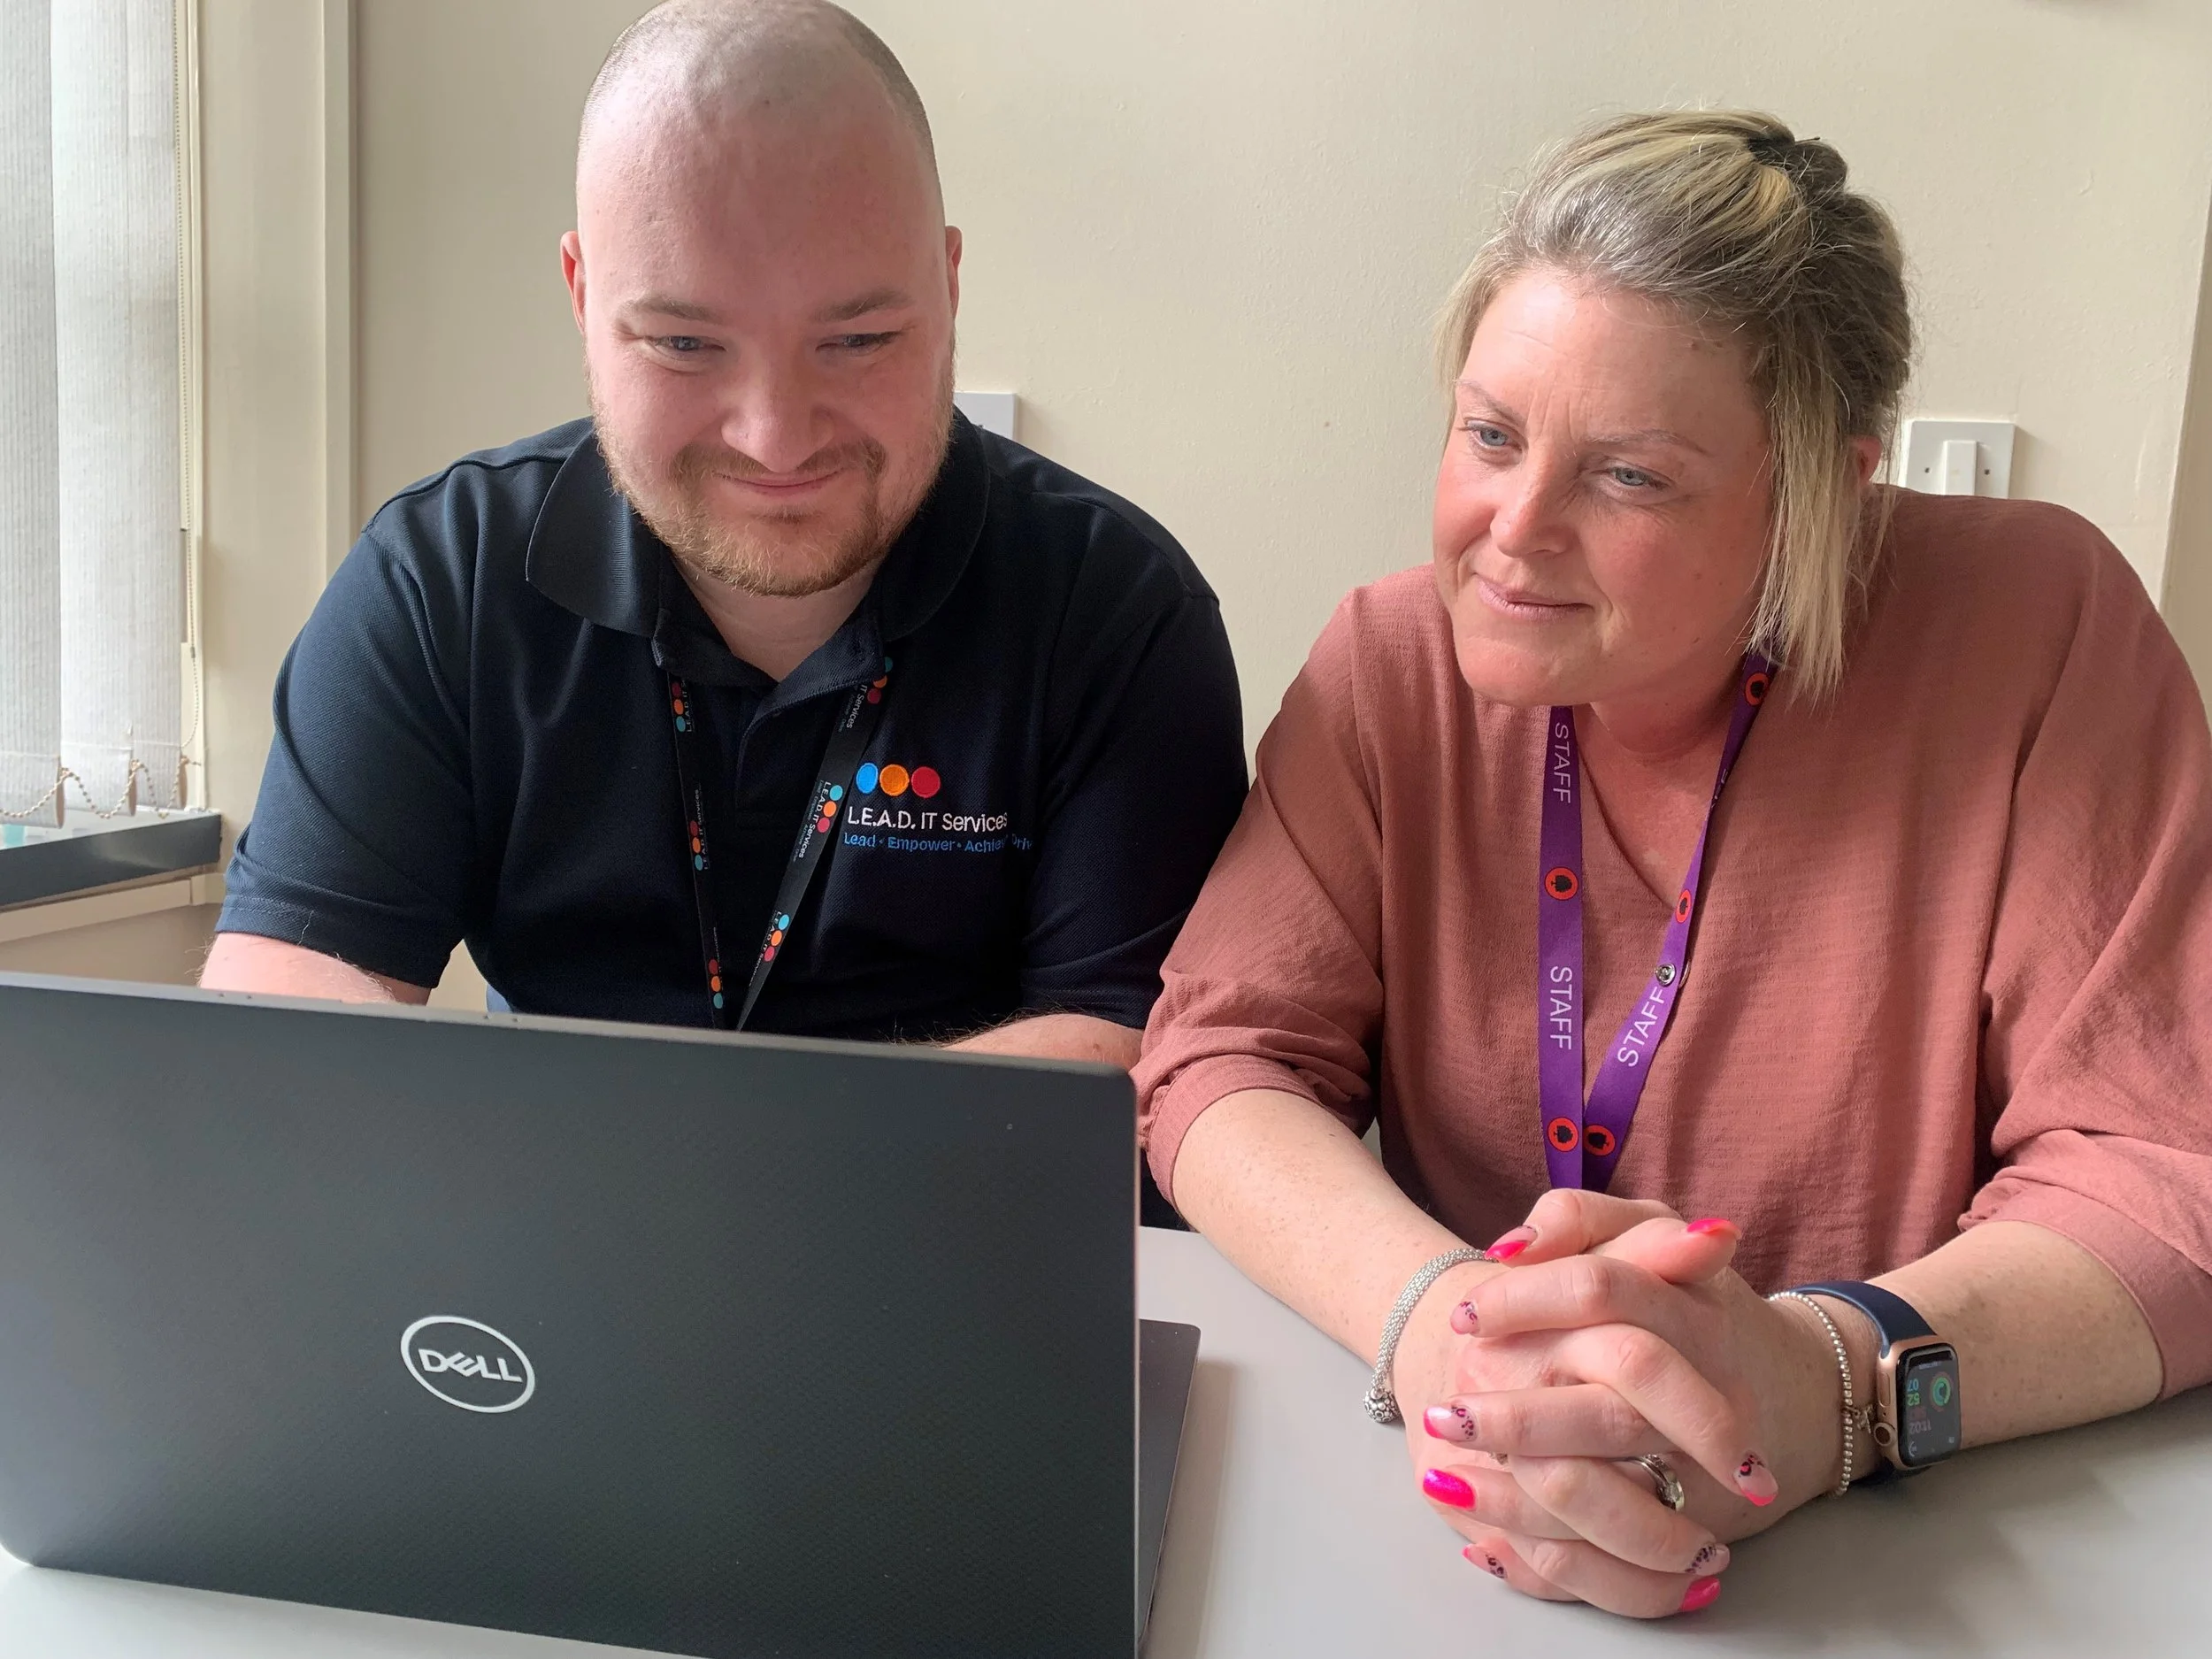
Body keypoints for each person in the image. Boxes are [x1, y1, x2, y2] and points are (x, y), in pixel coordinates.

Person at [1134, 110, 2212, 1619]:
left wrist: (1832, 1386)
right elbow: (1220, 1064)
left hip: (1934, 1561)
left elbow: (2169, 1175)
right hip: (1470, 1536)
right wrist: (1445, 1328)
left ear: (1819, 492)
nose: (1513, 531)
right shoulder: (1390, 666)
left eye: (1630, 478)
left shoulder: (2040, 628)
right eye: (1492, 434)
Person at [203, 1, 1246, 1113]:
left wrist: (676, 1169)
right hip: (551, 1254)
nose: (776, 437)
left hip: (953, 1255)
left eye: (856, 341)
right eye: (685, 345)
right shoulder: (441, 578)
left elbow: (1126, 1055)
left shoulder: (1118, 609)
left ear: (947, 290)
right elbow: (282, 995)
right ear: (581, 294)